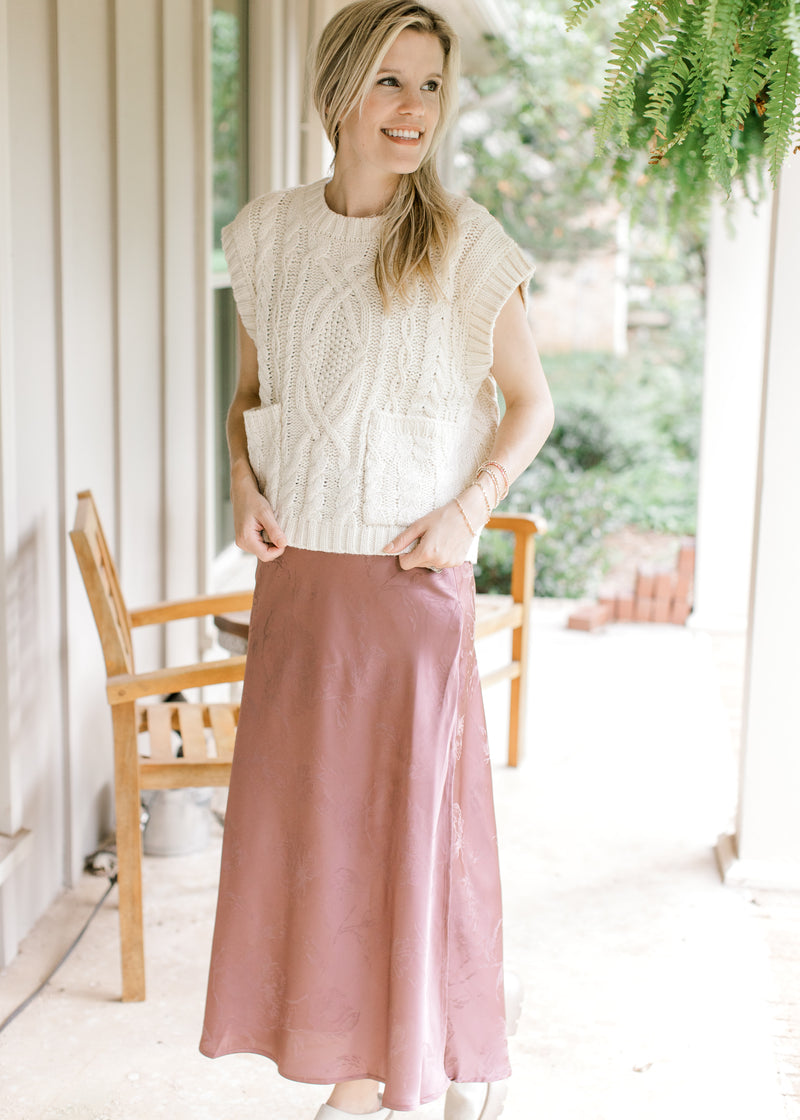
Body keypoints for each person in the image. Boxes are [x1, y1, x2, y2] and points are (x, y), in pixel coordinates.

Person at [199, 2, 554, 1117]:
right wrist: (243, 481)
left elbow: (530, 405)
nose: (412, 110)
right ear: (338, 91)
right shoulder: (263, 234)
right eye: (390, 82)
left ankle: (390, 1073)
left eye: (431, 87)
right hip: (299, 587)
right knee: (321, 845)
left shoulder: (462, 242)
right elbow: (254, 400)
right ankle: (417, 1065)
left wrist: (469, 510)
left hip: (408, 594)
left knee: (413, 845)